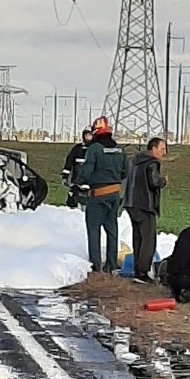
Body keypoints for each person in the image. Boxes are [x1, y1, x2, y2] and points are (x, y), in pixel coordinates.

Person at [78, 116, 127, 274]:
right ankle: (111, 265)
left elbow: (86, 171)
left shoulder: (95, 149)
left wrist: (77, 182)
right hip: (114, 194)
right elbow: (125, 171)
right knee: (111, 229)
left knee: (94, 229)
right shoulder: (120, 150)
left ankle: (95, 266)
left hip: (97, 195)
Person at [123, 136, 168, 282]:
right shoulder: (152, 163)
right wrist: (163, 181)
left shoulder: (135, 161)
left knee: (137, 238)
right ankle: (143, 273)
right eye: (162, 149)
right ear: (153, 149)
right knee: (148, 240)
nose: (164, 152)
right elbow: (153, 182)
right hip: (145, 205)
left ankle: (137, 270)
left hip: (131, 203)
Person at [61, 127, 93, 210]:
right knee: (73, 202)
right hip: (77, 181)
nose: (89, 137)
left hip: (92, 182)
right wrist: (65, 176)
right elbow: (69, 162)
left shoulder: (96, 149)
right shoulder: (77, 149)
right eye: (87, 135)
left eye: (91, 135)